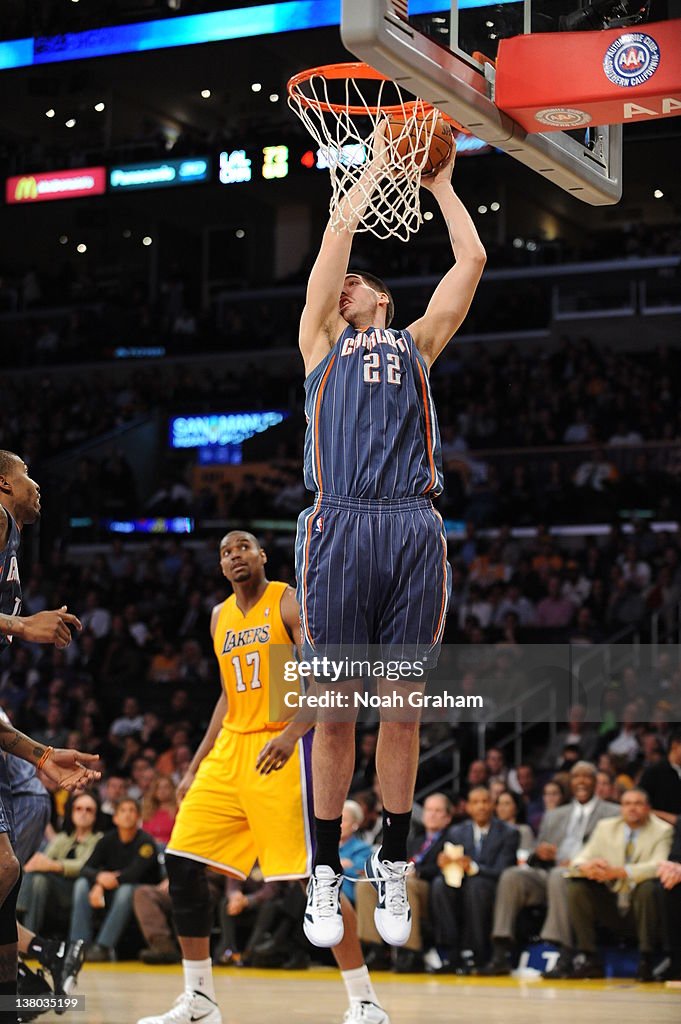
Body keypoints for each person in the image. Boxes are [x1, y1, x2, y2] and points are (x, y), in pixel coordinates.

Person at [296, 134, 485, 952]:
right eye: (334, 284)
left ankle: (393, 864)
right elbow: (336, 237)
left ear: (379, 295)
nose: (339, 286)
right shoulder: (318, 343)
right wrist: (371, 173)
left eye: (353, 282)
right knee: (335, 712)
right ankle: (321, 872)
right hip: (338, 520)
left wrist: (440, 185)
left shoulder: (416, 344)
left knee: (400, 711)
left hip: (408, 523)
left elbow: (470, 258)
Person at [138, 532, 391, 1024]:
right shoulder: (219, 617)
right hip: (231, 749)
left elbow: (327, 677)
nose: (234, 555)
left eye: (243, 548)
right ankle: (200, 998)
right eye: (225, 551)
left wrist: (294, 734)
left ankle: (365, 1001)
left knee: (308, 880)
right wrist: (194, 767)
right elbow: (227, 697)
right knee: (183, 861)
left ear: (262, 556)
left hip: (282, 745)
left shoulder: (289, 602)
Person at [0, 450, 101, 1023]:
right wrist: (21, 623)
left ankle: (20, 988)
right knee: (6, 868)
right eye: (27, 476)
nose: (37, 486)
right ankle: (38, 964)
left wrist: (39, 752)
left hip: (14, 759)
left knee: (6, 869)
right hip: (20, 778)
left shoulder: (11, 538)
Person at [481, 761, 619, 977]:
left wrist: (575, 862)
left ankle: (564, 953)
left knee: (559, 875)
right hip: (550, 873)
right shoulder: (555, 814)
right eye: (576, 777)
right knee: (512, 876)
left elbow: (614, 852)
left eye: (587, 777)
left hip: (585, 877)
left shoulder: (613, 812)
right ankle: (501, 951)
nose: (581, 781)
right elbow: (536, 852)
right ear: (570, 783)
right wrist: (540, 853)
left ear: (596, 782)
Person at [566, 787, 673, 981]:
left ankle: (646, 959)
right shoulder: (605, 827)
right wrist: (587, 866)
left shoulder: (663, 830)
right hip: (612, 902)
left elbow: (660, 865)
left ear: (648, 808)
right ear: (620, 808)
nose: (632, 808)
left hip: (643, 906)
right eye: (627, 804)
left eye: (638, 804)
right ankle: (590, 958)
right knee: (577, 886)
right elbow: (578, 859)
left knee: (648, 887)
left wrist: (621, 871)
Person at [429, 787, 518, 971]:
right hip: (462, 884)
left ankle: (479, 954)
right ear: (468, 807)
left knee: (476, 886)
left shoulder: (509, 832)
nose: (481, 807)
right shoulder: (456, 832)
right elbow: (450, 867)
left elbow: (503, 870)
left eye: (485, 802)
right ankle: (451, 953)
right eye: (476, 802)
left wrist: (473, 868)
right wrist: (444, 863)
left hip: (492, 886)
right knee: (439, 885)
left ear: (493, 805)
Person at [70, 797, 161, 961]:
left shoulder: (146, 842)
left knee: (126, 890)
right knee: (81, 884)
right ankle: (78, 944)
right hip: (110, 891)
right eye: (123, 811)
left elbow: (135, 873)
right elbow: (85, 869)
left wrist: (105, 881)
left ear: (138, 817)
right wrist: (99, 879)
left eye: (132, 811)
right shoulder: (107, 840)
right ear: (115, 818)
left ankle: (103, 947)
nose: (127, 815)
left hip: (139, 893)